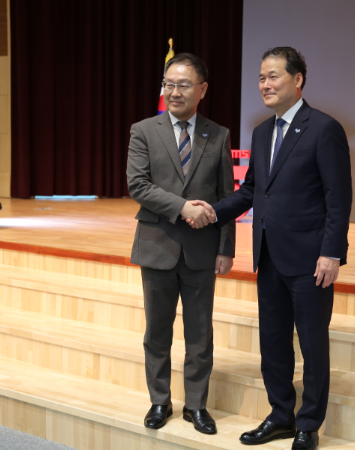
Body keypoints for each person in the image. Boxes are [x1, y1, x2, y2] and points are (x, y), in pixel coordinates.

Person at [189, 47, 352, 450]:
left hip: (311, 259)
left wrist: (332, 252)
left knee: (312, 344)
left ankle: (308, 424)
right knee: (273, 342)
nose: (265, 84)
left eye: (273, 76)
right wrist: (212, 211)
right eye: (261, 77)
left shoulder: (324, 128)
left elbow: (339, 197)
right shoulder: (262, 132)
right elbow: (250, 191)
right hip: (269, 255)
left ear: (298, 80)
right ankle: (281, 415)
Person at [126, 52, 236, 435]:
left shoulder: (217, 134)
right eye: (168, 84)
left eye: (183, 84)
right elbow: (137, 185)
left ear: (202, 89)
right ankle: (160, 401)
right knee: (157, 331)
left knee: (199, 332)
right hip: (157, 245)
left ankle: (196, 406)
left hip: (203, 251)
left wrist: (226, 248)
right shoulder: (143, 130)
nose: (174, 91)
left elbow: (226, 197)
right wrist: (183, 207)